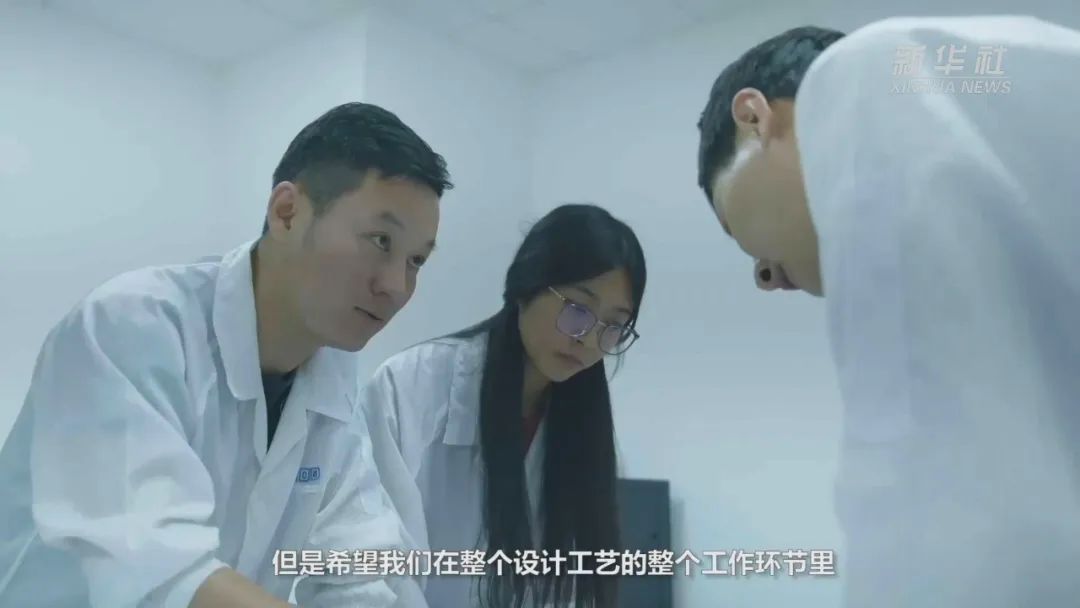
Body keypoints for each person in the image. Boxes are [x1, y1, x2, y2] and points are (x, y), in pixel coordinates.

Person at [0, 102, 451, 607]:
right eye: (380, 240)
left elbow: (360, 566)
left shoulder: (331, 378)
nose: (396, 286)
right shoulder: (133, 327)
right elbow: (160, 570)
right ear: (287, 213)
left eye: (416, 260)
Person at [695, 16, 1080, 608]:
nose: (767, 278)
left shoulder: (863, 81)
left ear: (753, 117)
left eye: (735, 230)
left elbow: (945, 523)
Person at [358, 203, 646, 608]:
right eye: (578, 309)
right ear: (527, 285)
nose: (586, 338)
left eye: (613, 325)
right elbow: (371, 563)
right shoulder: (410, 388)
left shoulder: (590, 436)